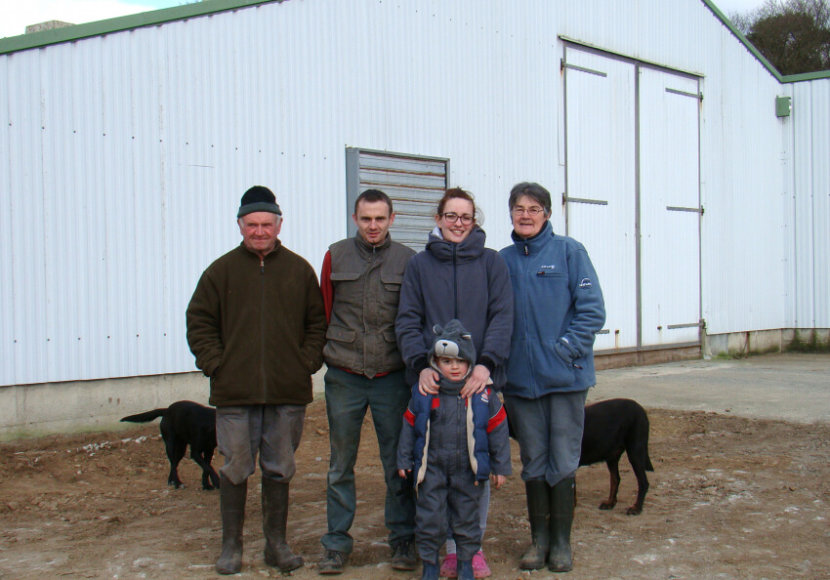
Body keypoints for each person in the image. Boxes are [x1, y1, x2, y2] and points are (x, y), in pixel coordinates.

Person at [186, 185, 327, 575]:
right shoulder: (220, 272)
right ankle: (231, 547)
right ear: (240, 225)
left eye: (267, 224)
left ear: (279, 225)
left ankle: (276, 545)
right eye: (252, 225)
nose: (260, 231)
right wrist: (217, 364)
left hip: (287, 391)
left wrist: (305, 363)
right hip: (235, 393)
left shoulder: (299, 271)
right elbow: (199, 322)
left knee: (280, 467)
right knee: (235, 468)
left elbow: (317, 323)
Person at [395, 187, 513, 578]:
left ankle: (471, 548)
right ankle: (445, 549)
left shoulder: (492, 264)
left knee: (472, 463)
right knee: (437, 470)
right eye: (451, 216)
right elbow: (408, 320)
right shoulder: (420, 266)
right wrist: (420, 366)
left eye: (465, 216)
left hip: (475, 384)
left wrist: (486, 367)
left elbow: (502, 318)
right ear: (439, 219)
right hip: (435, 388)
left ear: (474, 220)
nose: (458, 223)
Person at [499, 182, 606, 573]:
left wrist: (565, 350)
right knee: (533, 460)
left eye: (534, 208)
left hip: (564, 380)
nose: (525, 215)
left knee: (562, 459)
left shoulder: (569, 252)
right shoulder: (503, 261)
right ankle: (538, 541)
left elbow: (591, 310)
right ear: (510, 214)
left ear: (547, 213)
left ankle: (561, 543)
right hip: (521, 384)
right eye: (518, 208)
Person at [318, 189, 417, 575]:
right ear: (355, 219)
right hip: (345, 376)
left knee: (398, 463)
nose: (372, 226)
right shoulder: (334, 255)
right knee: (340, 464)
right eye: (365, 219)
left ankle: (402, 541)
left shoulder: (409, 261)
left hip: (392, 378)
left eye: (379, 218)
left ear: (392, 219)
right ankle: (336, 544)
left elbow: (414, 316)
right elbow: (323, 309)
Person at [397, 319, 511, 580]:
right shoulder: (424, 393)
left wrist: (500, 466)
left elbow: (498, 430)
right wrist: (404, 459)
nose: (454, 367)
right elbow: (409, 426)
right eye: (447, 362)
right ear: (436, 363)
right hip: (432, 470)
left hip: (467, 470)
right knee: (429, 519)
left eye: (460, 362)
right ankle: (429, 565)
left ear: (470, 363)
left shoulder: (483, 395)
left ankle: (465, 565)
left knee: (466, 519)